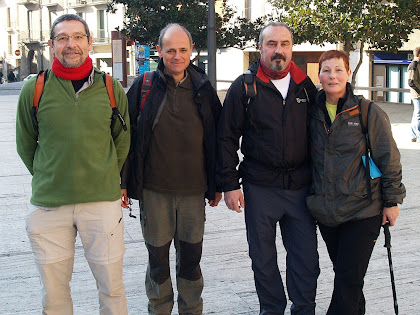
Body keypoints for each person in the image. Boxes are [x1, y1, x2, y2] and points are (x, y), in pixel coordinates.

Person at [16, 14, 130, 314]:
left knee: (112, 289)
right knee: (54, 297)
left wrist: (104, 173)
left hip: (102, 205)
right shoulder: (35, 88)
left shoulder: (110, 87)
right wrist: (51, 173)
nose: (71, 44)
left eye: (78, 37)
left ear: (90, 42)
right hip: (49, 206)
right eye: (63, 38)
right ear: (52, 45)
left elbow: (122, 140)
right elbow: (26, 143)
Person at [217, 22, 320, 314]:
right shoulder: (244, 86)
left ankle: (304, 309)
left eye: (284, 44)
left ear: (291, 48)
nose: (278, 50)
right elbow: (226, 137)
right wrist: (229, 185)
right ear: (260, 47)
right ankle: (271, 309)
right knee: (262, 259)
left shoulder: (305, 85)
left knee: (306, 259)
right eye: (271, 44)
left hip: (300, 188)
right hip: (259, 187)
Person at [121, 23, 222, 314]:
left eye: (182, 50)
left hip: (194, 193)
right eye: (170, 50)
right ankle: (159, 309)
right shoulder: (145, 86)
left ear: (191, 51)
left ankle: (192, 310)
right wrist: (123, 183)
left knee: (190, 262)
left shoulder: (203, 89)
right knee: (158, 264)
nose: (176, 56)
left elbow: (216, 140)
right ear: (159, 50)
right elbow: (127, 137)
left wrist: (216, 184)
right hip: (155, 193)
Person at [306, 50, 406, 314]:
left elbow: (388, 158)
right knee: (349, 281)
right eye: (326, 70)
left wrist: (392, 200)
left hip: (363, 211)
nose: (332, 76)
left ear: (349, 73)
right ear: (319, 74)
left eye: (339, 69)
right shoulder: (311, 112)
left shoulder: (367, 111)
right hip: (327, 214)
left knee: (347, 282)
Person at [408, 46, 420, 143]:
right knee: (418, 114)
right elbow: (411, 81)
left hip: (418, 94)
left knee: (416, 114)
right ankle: (418, 135)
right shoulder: (414, 65)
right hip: (417, 95)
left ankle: (413, 135)